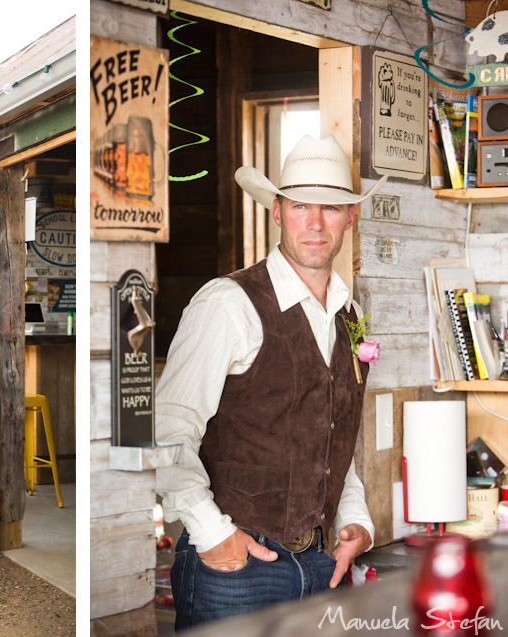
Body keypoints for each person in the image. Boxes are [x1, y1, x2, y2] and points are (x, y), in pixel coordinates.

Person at [156, 135, 387, 630]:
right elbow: (167, 429)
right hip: (238, 567)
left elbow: (332, 440)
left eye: (332, 208)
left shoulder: (351, 316)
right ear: (278, 212)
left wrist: (356, 522)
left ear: (351, 218)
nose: (316, 223)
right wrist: (211, 532)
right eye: (302, 205)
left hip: (326, 566)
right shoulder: (227, 303)